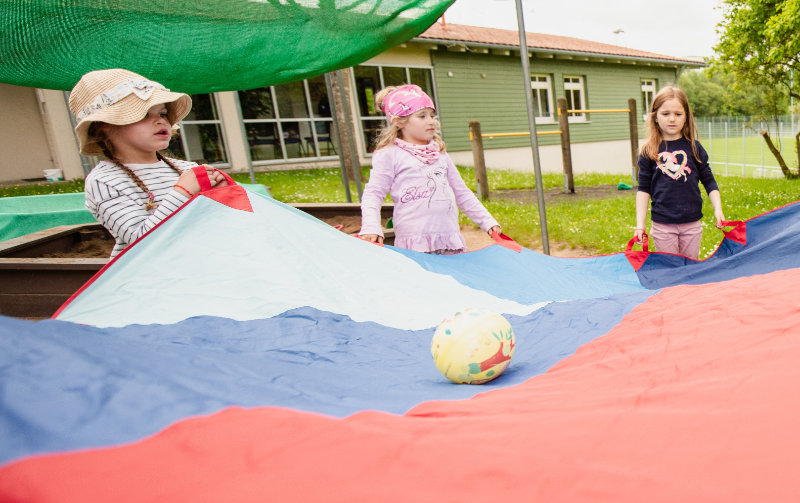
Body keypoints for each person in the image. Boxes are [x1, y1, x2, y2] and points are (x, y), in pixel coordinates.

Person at [69, 68, 228, 258]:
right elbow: (140, 239)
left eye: (162, 113)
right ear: (104, 124)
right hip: (151, 279)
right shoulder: (105, 181)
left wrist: (221, 195)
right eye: (144, 114)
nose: (160, 121)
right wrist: (182, 193)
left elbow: (215, 225)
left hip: (199, 266)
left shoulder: (188, 169)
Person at [359, 84, 501, 254]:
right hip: (415, 245)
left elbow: (461, 192)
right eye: (422, 116)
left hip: (449, 240)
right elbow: (374, 193)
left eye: (432, 115)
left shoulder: (439, 153)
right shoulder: (390, 154)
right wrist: (371, 226)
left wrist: (487, 221)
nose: (431, 121)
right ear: (399, 121)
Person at [634, 86, 725, 260]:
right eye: (665, 114)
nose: (672, 119)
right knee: (670, 270)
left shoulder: (694, 148)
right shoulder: (649, 151)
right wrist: (640, 224)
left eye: (678, 114)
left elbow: (709, 181)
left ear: (686, 117)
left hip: (692, 224)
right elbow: (643, 190)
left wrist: (718, 209)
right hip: (662, 225)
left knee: (690, 268)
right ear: (655, 117)